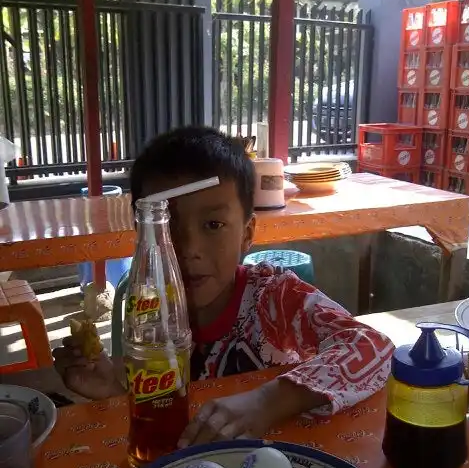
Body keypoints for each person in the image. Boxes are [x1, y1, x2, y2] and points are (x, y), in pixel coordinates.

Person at [54, 126, 394, 448]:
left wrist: (268, 401)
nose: (189, 248)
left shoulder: (273, 297)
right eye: (166, 224)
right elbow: (165, 413)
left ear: (246, 234)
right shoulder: (149, 311)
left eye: (213, 224)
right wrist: (112, 390)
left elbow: (371, 346)